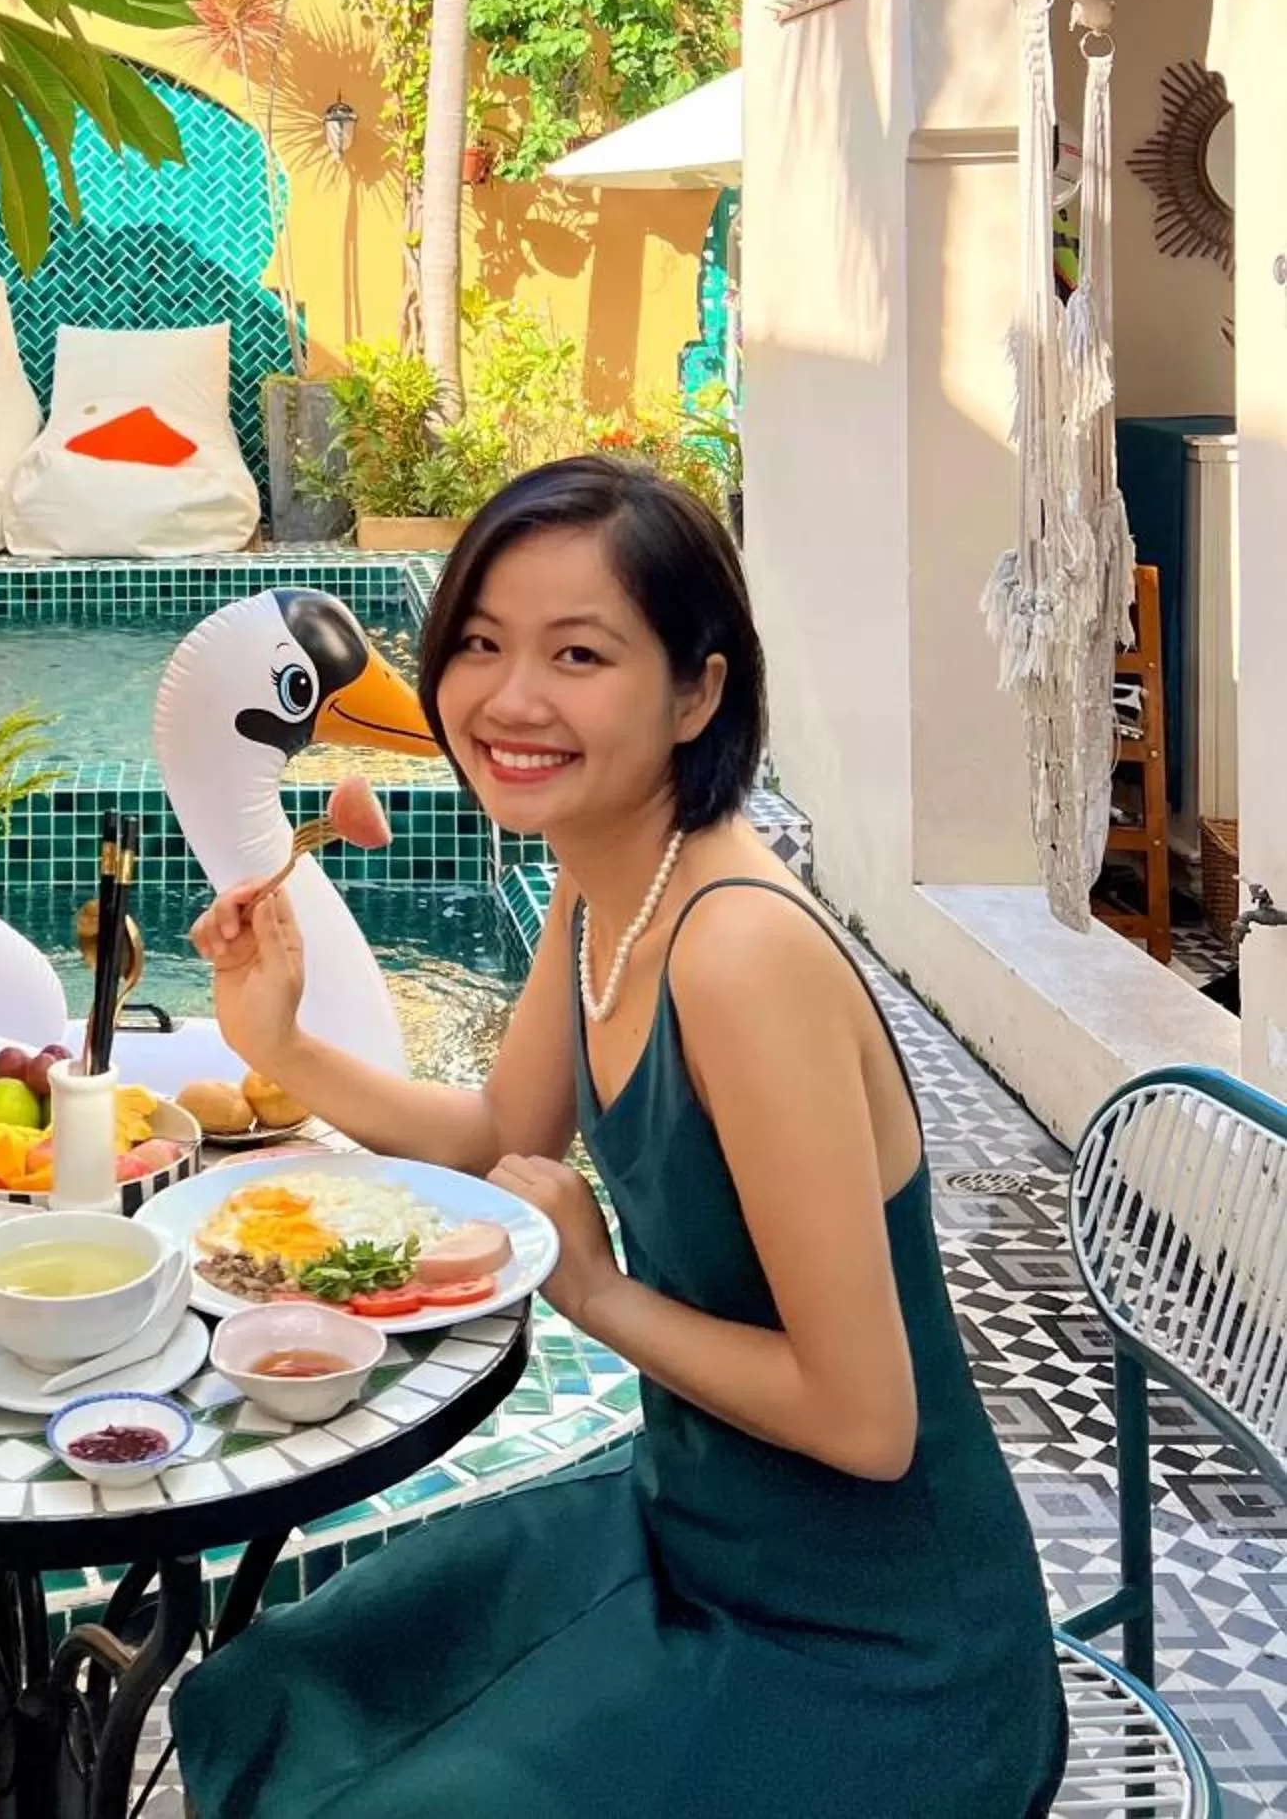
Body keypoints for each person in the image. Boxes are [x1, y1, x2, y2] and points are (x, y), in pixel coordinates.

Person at [173, 457, 1065, 1819]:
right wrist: (280, 1045)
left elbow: (866, 1419)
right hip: (693, 1529)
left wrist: (592, 1292)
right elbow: (489, 1135)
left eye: (577, 653)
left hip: (873, 1655)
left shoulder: (736, 953)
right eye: (477, 642)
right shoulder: (608, 883)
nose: (508, 699)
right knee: (277, 1682)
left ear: (695, 689)